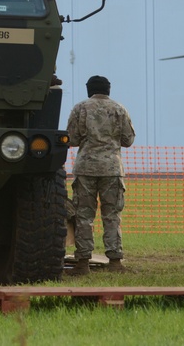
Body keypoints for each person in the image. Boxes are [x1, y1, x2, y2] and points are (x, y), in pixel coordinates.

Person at [66, 75, 135, 276]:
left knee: (83, 216)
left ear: (89, 89)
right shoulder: (119, 109)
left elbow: (71, 138)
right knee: (112, 216)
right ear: (108, 90)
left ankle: (83, 263)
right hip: (112, 169)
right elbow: (128, 140)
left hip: (85, 168)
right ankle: (115, 262)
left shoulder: (80, 108)